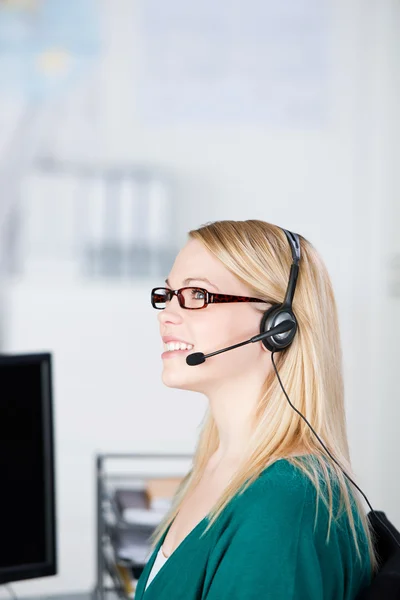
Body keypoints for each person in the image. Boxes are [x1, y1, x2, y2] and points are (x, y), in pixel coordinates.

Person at [134, 219, 378, 599]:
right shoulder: (215, 464)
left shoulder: (282, 505)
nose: (166, 313)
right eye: (167, 293)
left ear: (278, 327)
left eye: (197, 294)